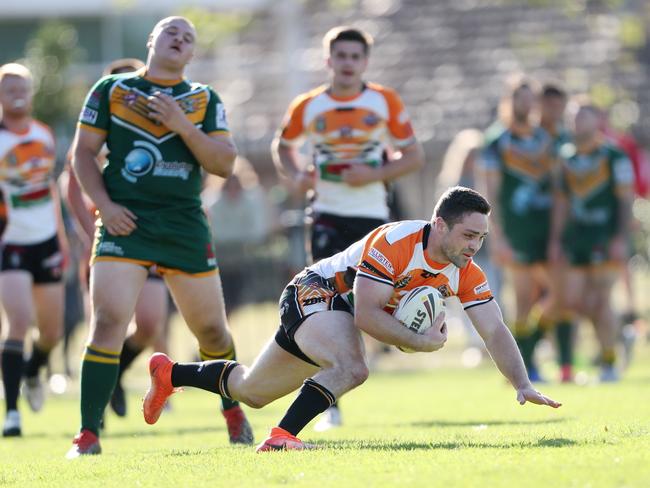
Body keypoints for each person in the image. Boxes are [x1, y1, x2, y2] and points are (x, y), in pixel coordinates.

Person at [143, 186, 561, 452]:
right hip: (314, 293)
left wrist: (521, 382)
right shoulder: (395, 241)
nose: (474, 246)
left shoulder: (467, 271)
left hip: (332, 313)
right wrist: (418, 341)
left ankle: (170, 374)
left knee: (251, 390)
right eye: (468, 235)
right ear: (439, 225)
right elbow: (364, 313)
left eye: (481, 238)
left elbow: (495, 329)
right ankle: (281, 438)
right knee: (352, 367)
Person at [66, 16, 253, 458]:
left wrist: (181, 124)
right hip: (125, 224)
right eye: (172, 31)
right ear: (153, 40)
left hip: (184, 225)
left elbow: (224, 164)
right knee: (109, 321)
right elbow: (82, 154)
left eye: (189, 38)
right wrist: (105, 207)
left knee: (211, 332)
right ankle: (87, 435)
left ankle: (233, 412)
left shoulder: (203, 99)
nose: (180, 39)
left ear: (192, 55)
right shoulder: (111, 90)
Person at [271, 26, 425, 430]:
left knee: (366, 303)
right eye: (340, 56)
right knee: (324, 304)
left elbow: (413, 156)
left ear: (365, 62)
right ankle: (328, 401)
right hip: (324, 214)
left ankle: (349, 373)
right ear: (328, 60)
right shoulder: (308, 105)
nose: (347, 63)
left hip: (373, 218)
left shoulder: (384, 100)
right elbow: (282, 146)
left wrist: (373, 172)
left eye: (355, 56)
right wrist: (297, 176)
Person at [63, 57, 171, 418]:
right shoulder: (98, 130)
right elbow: (74, 182)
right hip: (108, 241)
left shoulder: (156, 128)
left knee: (151, 323)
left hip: (150, 240)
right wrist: (85, 228)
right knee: (105, 325)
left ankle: (118, 372)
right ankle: (93, 415)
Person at [0, 63, 68, 436]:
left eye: (22, 85)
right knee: (19, 321)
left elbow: (51, 190)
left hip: (45, 241)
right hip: (9, 242)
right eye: (8, 86)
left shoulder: (43, 134)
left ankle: (32, 370)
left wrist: (60, 237)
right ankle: (11, 414)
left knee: (51, 333)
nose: (16, 92)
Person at [479, 75, 560, 382]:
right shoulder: (496, 141)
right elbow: (490, 193)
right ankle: (523, 365)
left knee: (559, 294)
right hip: (515, 232)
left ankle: (528, 352)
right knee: (524, 299)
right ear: (509, 102)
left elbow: (557, 188)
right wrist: (497, 236)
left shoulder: (546, 138)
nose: (525, 105)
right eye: (519, 98)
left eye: (529, 98)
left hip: (546, 229)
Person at [549, 99, 634, 382]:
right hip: (576, 240)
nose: (577, 122)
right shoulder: (564, 157)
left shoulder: (614, 155)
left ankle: (609, 363)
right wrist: (557, 239)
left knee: (600, 301)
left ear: (597, 120)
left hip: (604, 239)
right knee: (571, 302)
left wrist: (620, 237)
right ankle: (569, 367)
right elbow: (561, 203)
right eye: (573, 117)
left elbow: (625, 199)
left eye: (583, 116)